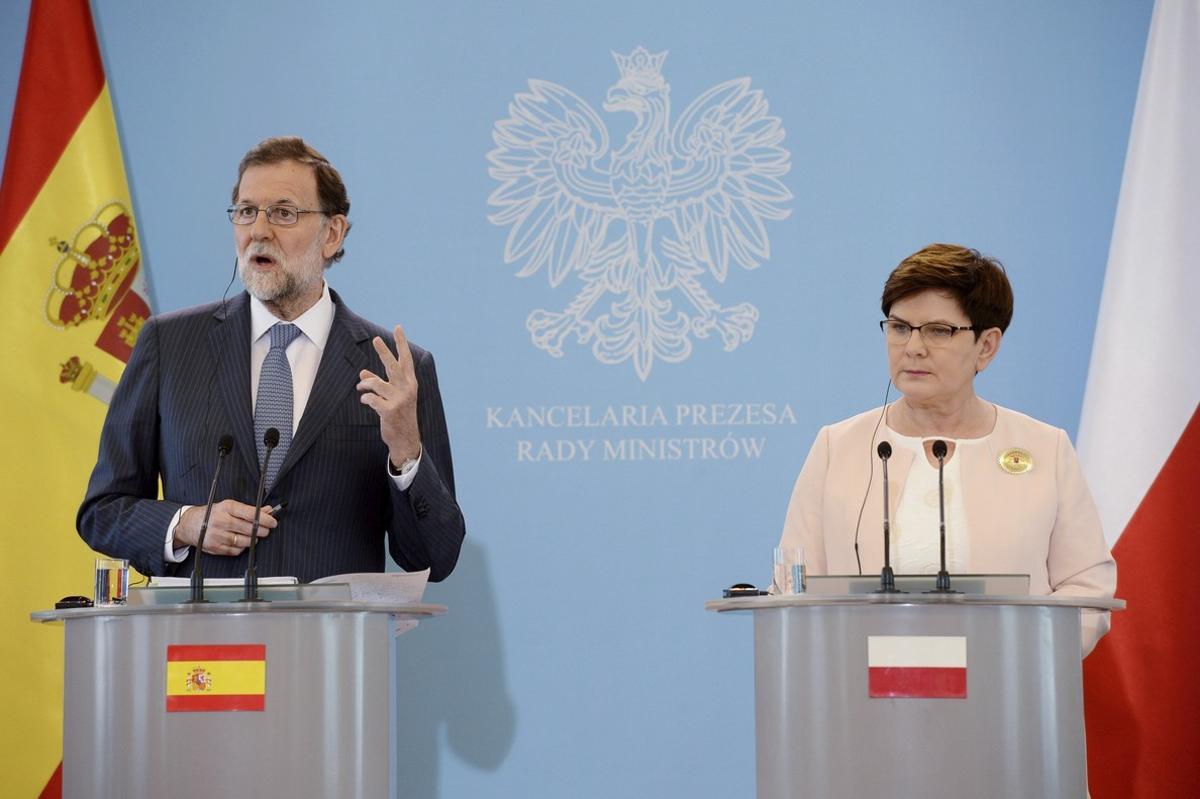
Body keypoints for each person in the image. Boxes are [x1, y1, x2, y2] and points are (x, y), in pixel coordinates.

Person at [77, 136, 464, 582]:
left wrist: (406, 453)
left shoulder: (395, 369)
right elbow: (102, 512)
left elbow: (434, 558)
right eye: (246, 212)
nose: (258, 231)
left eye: (284, 212)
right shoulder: (169, 344)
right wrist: (182, 524)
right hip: (203, 644)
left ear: (332, 234)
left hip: (332, 645)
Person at [778, 243, 1115, 655]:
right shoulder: (837, 446)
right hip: (863, 698)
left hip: (1007, 697)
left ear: (986, 346)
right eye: (900, 327)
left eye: (938, 331)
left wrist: (1021, 659)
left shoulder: (1045, 449)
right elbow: (795, 589)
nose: (913, 347)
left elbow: (1087, 591)